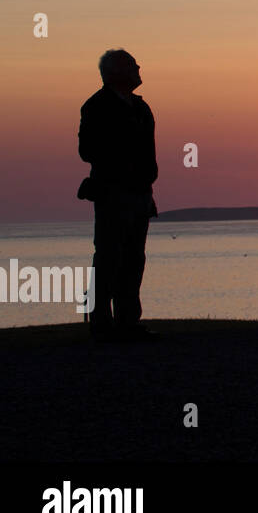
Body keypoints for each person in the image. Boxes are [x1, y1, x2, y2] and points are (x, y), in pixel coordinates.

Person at [78, 49, 159, 341]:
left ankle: (127, 321)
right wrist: (120, 164)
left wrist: (147, 182)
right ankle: (101, 322)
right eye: (131, 64)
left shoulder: (141, 107)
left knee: (134, 258)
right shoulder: (97, 106)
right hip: (113, 193)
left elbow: (148, 152)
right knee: (109, 256)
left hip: (139, 192)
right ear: (115, 73)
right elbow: (86, 149)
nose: (138, 67)